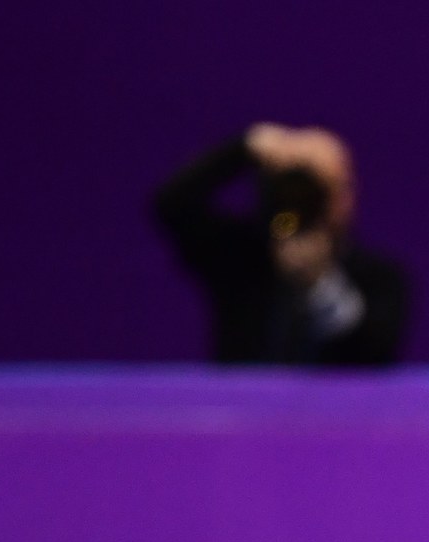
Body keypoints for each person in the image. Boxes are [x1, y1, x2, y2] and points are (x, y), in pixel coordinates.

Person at [155, 123, 409, 365]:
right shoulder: (239, 257)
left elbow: (375, 355)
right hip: (245, 409)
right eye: (297, 183)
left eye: (327, 185)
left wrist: (319, 285)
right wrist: (244, 148)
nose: (305, 198)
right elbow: (172, 205)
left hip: (338, 411)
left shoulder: (380, 277)